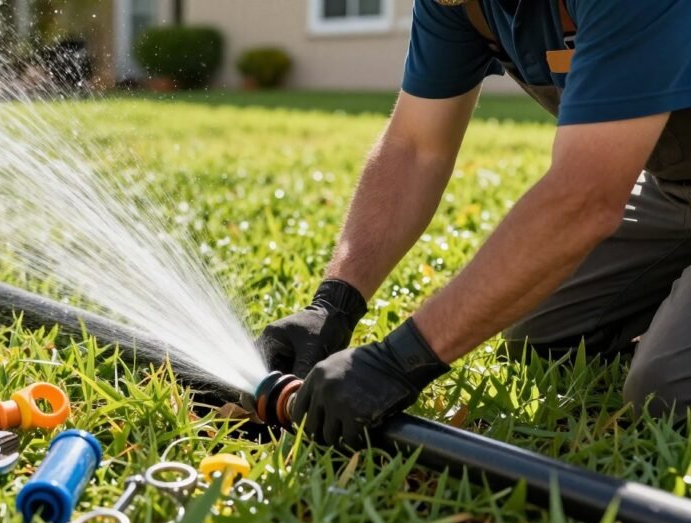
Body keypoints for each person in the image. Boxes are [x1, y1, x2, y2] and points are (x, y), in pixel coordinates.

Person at [256, 0, 691, 447]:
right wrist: (334, 303)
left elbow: (583, 199)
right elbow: (415, 148)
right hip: (674, 187)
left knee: (666, 389)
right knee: (539, 339)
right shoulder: (457, 3)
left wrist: (399, 360)